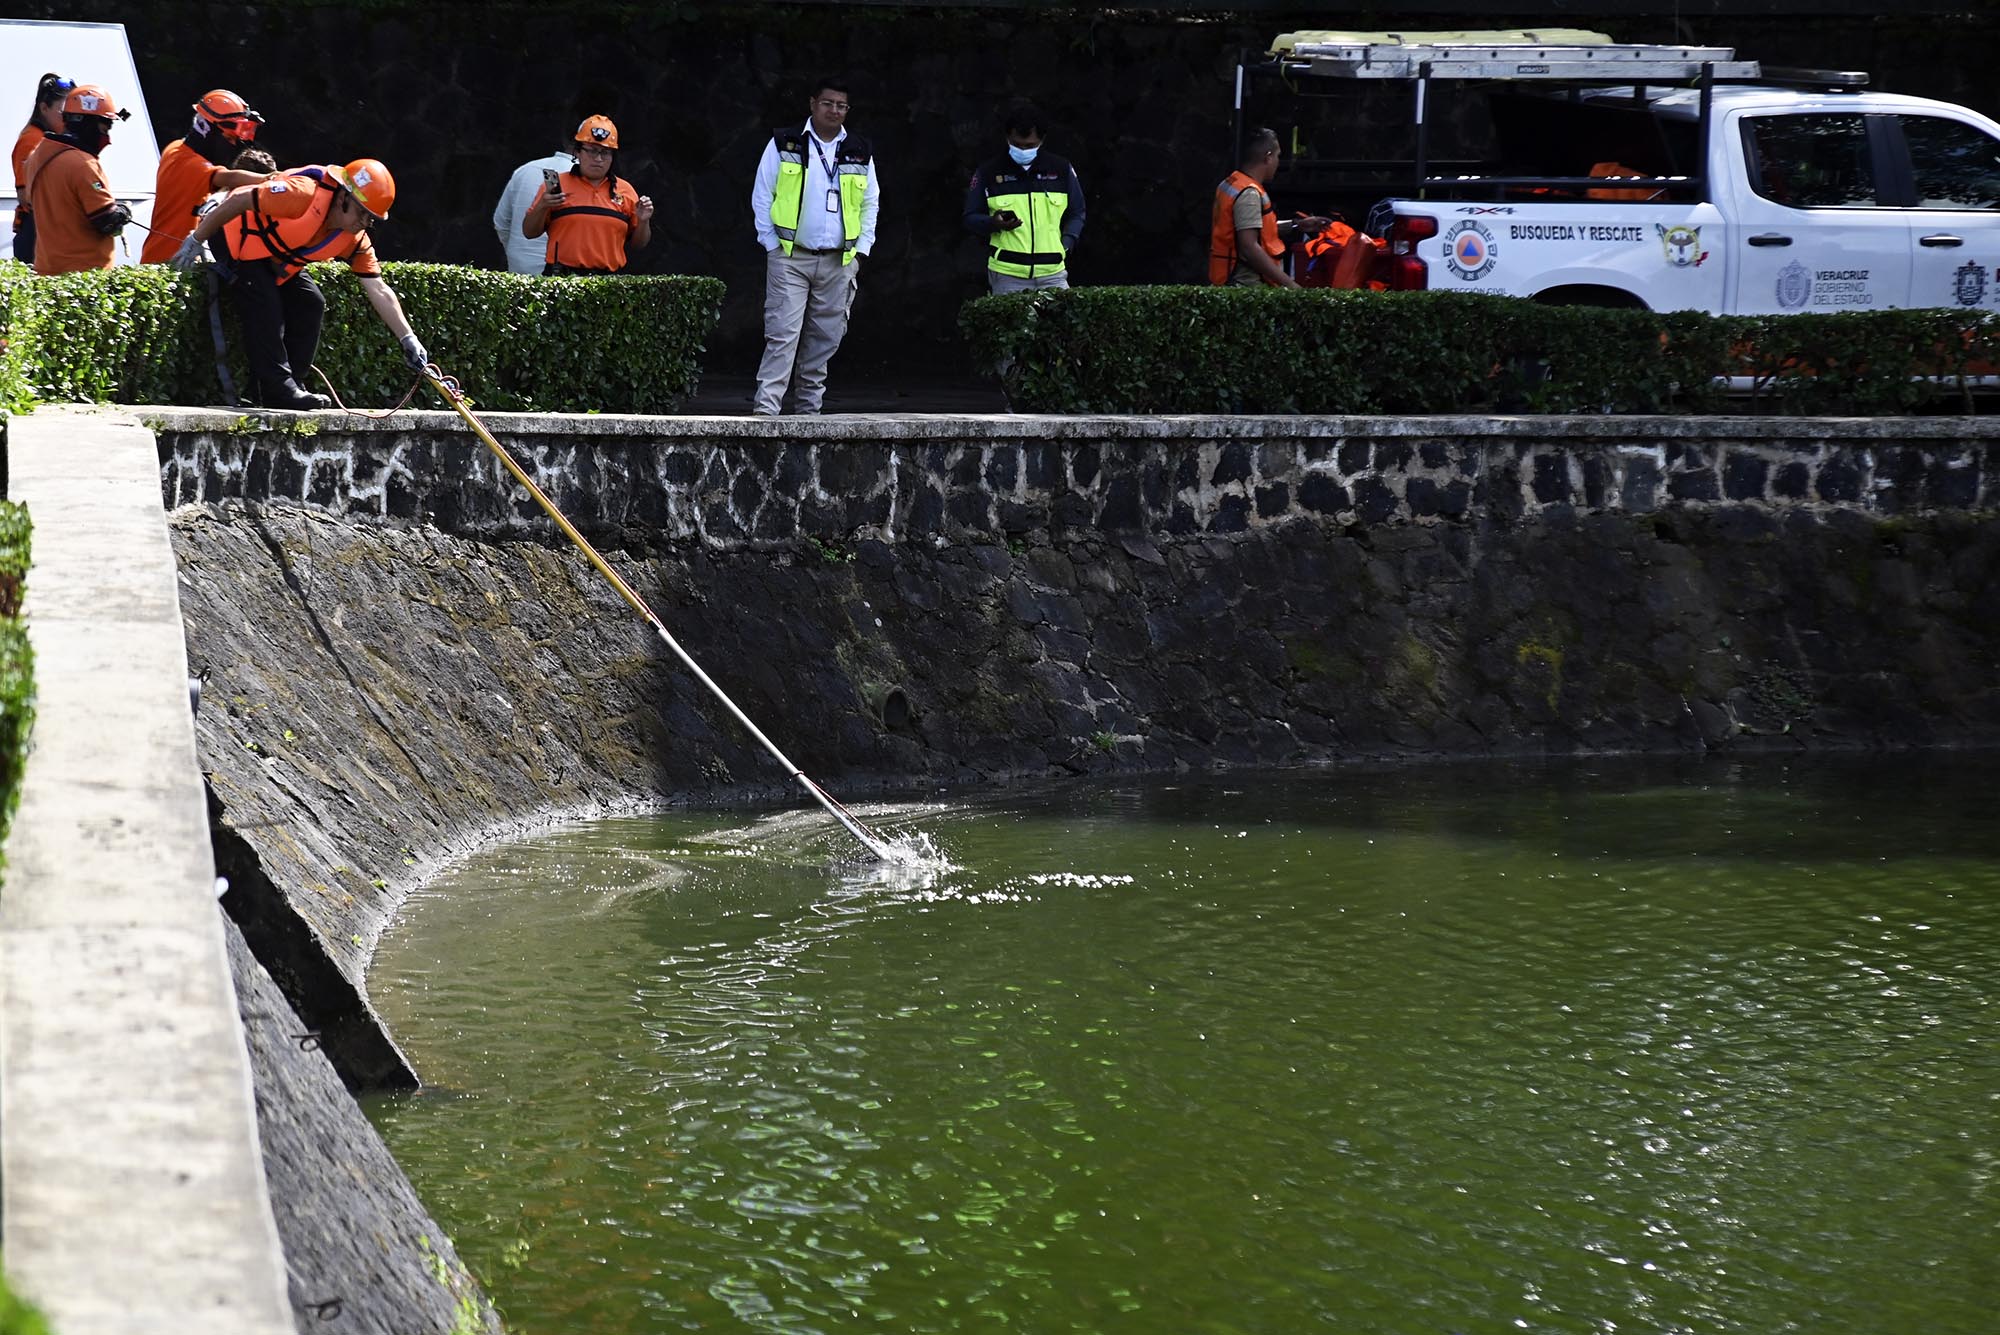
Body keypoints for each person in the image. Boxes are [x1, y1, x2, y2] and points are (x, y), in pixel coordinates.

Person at [169, 159, 430, 411]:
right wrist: (196, 238)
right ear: (342, 198)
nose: (364, 223)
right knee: (264, 301)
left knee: (311, 302)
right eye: (362, 213)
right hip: (231, 235)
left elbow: (378, 288)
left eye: (371, 218)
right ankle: (280, 389)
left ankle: (291, 384)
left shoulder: (353, 240)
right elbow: (238, 199)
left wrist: (408, 339)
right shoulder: (302, 195)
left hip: (272, 258)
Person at [749, 76, 880, 416]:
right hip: (791, 257)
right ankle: (766, 411)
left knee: (826, 339)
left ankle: (809, 414)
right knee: (782, 334)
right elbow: (763, 195)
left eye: (841, 105)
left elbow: (870, 203)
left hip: (839, 259)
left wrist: (861, 250)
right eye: (828, 103)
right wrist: (771, 245)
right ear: (812, 104)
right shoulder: (786, 142)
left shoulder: (859, 149)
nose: (834, 110)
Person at [962, 101, 1085, 293]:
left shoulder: (1061, 169)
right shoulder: (988, 172)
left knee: (1060, 323)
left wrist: (1067, 242)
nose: (1023, 150)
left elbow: (1077, 212)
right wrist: (994, 223)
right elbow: (970, 217)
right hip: (1007, 274)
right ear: (1007, 138)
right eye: (1017, 144)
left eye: (1030, 145)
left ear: (1042, 140)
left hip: (1053, 273)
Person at [140, 89, 271, 264]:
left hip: (179, 257)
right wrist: (271, 179)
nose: (233, 145)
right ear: (207, 129)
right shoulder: (187, 161)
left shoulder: (176, 148)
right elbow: (228, 178)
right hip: (167, 257)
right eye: (228, 138)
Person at [20, 83, 133, 277]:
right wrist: (124, 211)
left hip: (46, 272)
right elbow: (106, 221)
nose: (107, 136)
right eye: (105, 127)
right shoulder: (83, 164)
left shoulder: (35, 156)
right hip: (85, 276)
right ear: (86, 122)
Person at [521, 116, 652, 275]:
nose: (598, 159)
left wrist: (644, 221)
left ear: (612, 157)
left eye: (605, 152)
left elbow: (639, 244)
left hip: (608, 284)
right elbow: (529, 232)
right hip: (562, 280)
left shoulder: (626, 191)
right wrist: (543, 205)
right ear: (578, 152)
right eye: (591, 150)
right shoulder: (557, 185)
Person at [1208, 127, 1329, 289]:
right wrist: (1291, 286)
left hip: (1232, 283)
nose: (1279, 162)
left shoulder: (1232, 183)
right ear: (1268, 157)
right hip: (1247, 288)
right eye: (1278, 156)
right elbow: (1249, 247)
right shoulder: (1249, 194)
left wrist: (1297, 225)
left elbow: (1255, 232)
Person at [10, 73, 70, 265]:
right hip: (35, 234)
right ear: (44, 108)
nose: (69, 119)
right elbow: (25, 196)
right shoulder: (32, 140)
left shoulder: (53, 139)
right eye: (63, 112)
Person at [492, 137, 576, 275]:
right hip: (560, 275)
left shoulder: (525, 170)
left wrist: (518, 254)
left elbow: (500, 223)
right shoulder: (583, 180)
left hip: (519, 271)